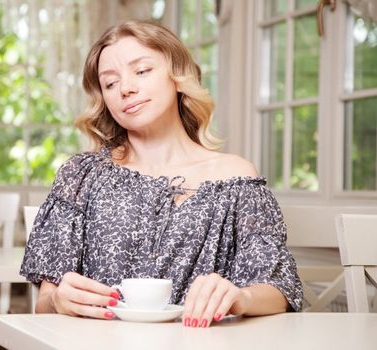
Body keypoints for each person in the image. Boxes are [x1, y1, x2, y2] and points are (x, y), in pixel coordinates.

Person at [20, 20, 302, 328]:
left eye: (142, 71)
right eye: (110, 83)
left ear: (178, 75)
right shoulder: (81, 175)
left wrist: (241, 297)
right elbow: (44, 304)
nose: (126, 89)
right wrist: (59, 299)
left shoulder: (235, 177)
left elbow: (279, 288)